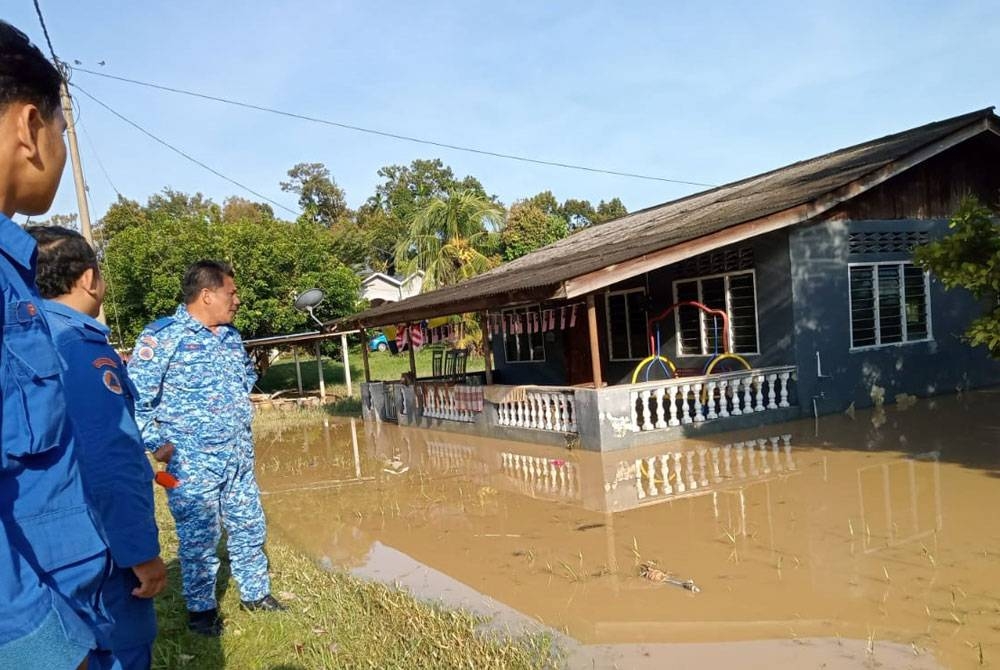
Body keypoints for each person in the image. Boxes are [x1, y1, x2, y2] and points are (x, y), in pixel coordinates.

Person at [0, 20, 111, 669]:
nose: (65, 151)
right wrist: (39, 649)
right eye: (63, 131)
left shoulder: (13, 271)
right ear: (27, 129)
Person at [30, 225, 167, 670]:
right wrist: (141, 553)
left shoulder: (23, 336)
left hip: (38, 556)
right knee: (117, 652)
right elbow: (111, 461)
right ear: (90, 279)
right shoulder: (82, 350)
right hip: (94, 558)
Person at [128, 260, 285, 636]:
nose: (238, 300)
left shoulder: (231, 337)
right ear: (207, 295)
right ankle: (201, 610)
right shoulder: (162, 337)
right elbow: (135, 401)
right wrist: (157, 444)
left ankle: (256, 594)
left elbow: (243, 381)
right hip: (190, 462)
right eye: (232, 293)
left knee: (248, 525)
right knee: (199, 536)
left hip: (237, 457)